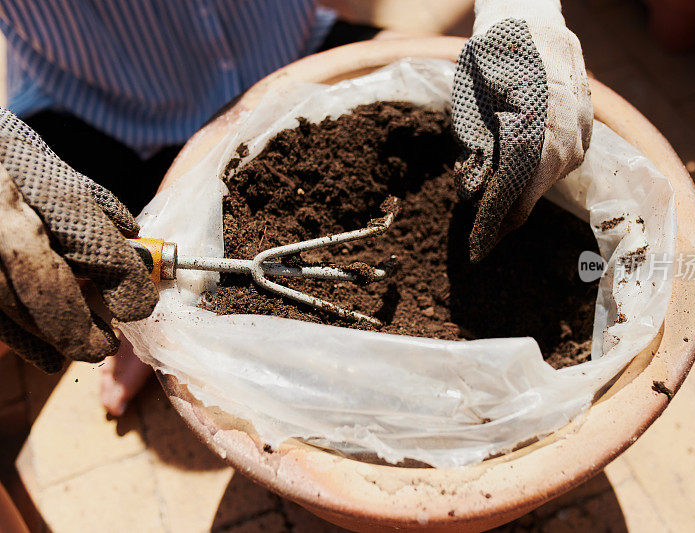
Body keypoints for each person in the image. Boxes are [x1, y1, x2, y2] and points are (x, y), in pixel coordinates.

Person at [0, 0, 591, 415]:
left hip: (290, 57)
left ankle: (163, 314)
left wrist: (519, 10)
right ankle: (160, 321)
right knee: (52, 270)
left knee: (421, 107)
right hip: (104, 113)